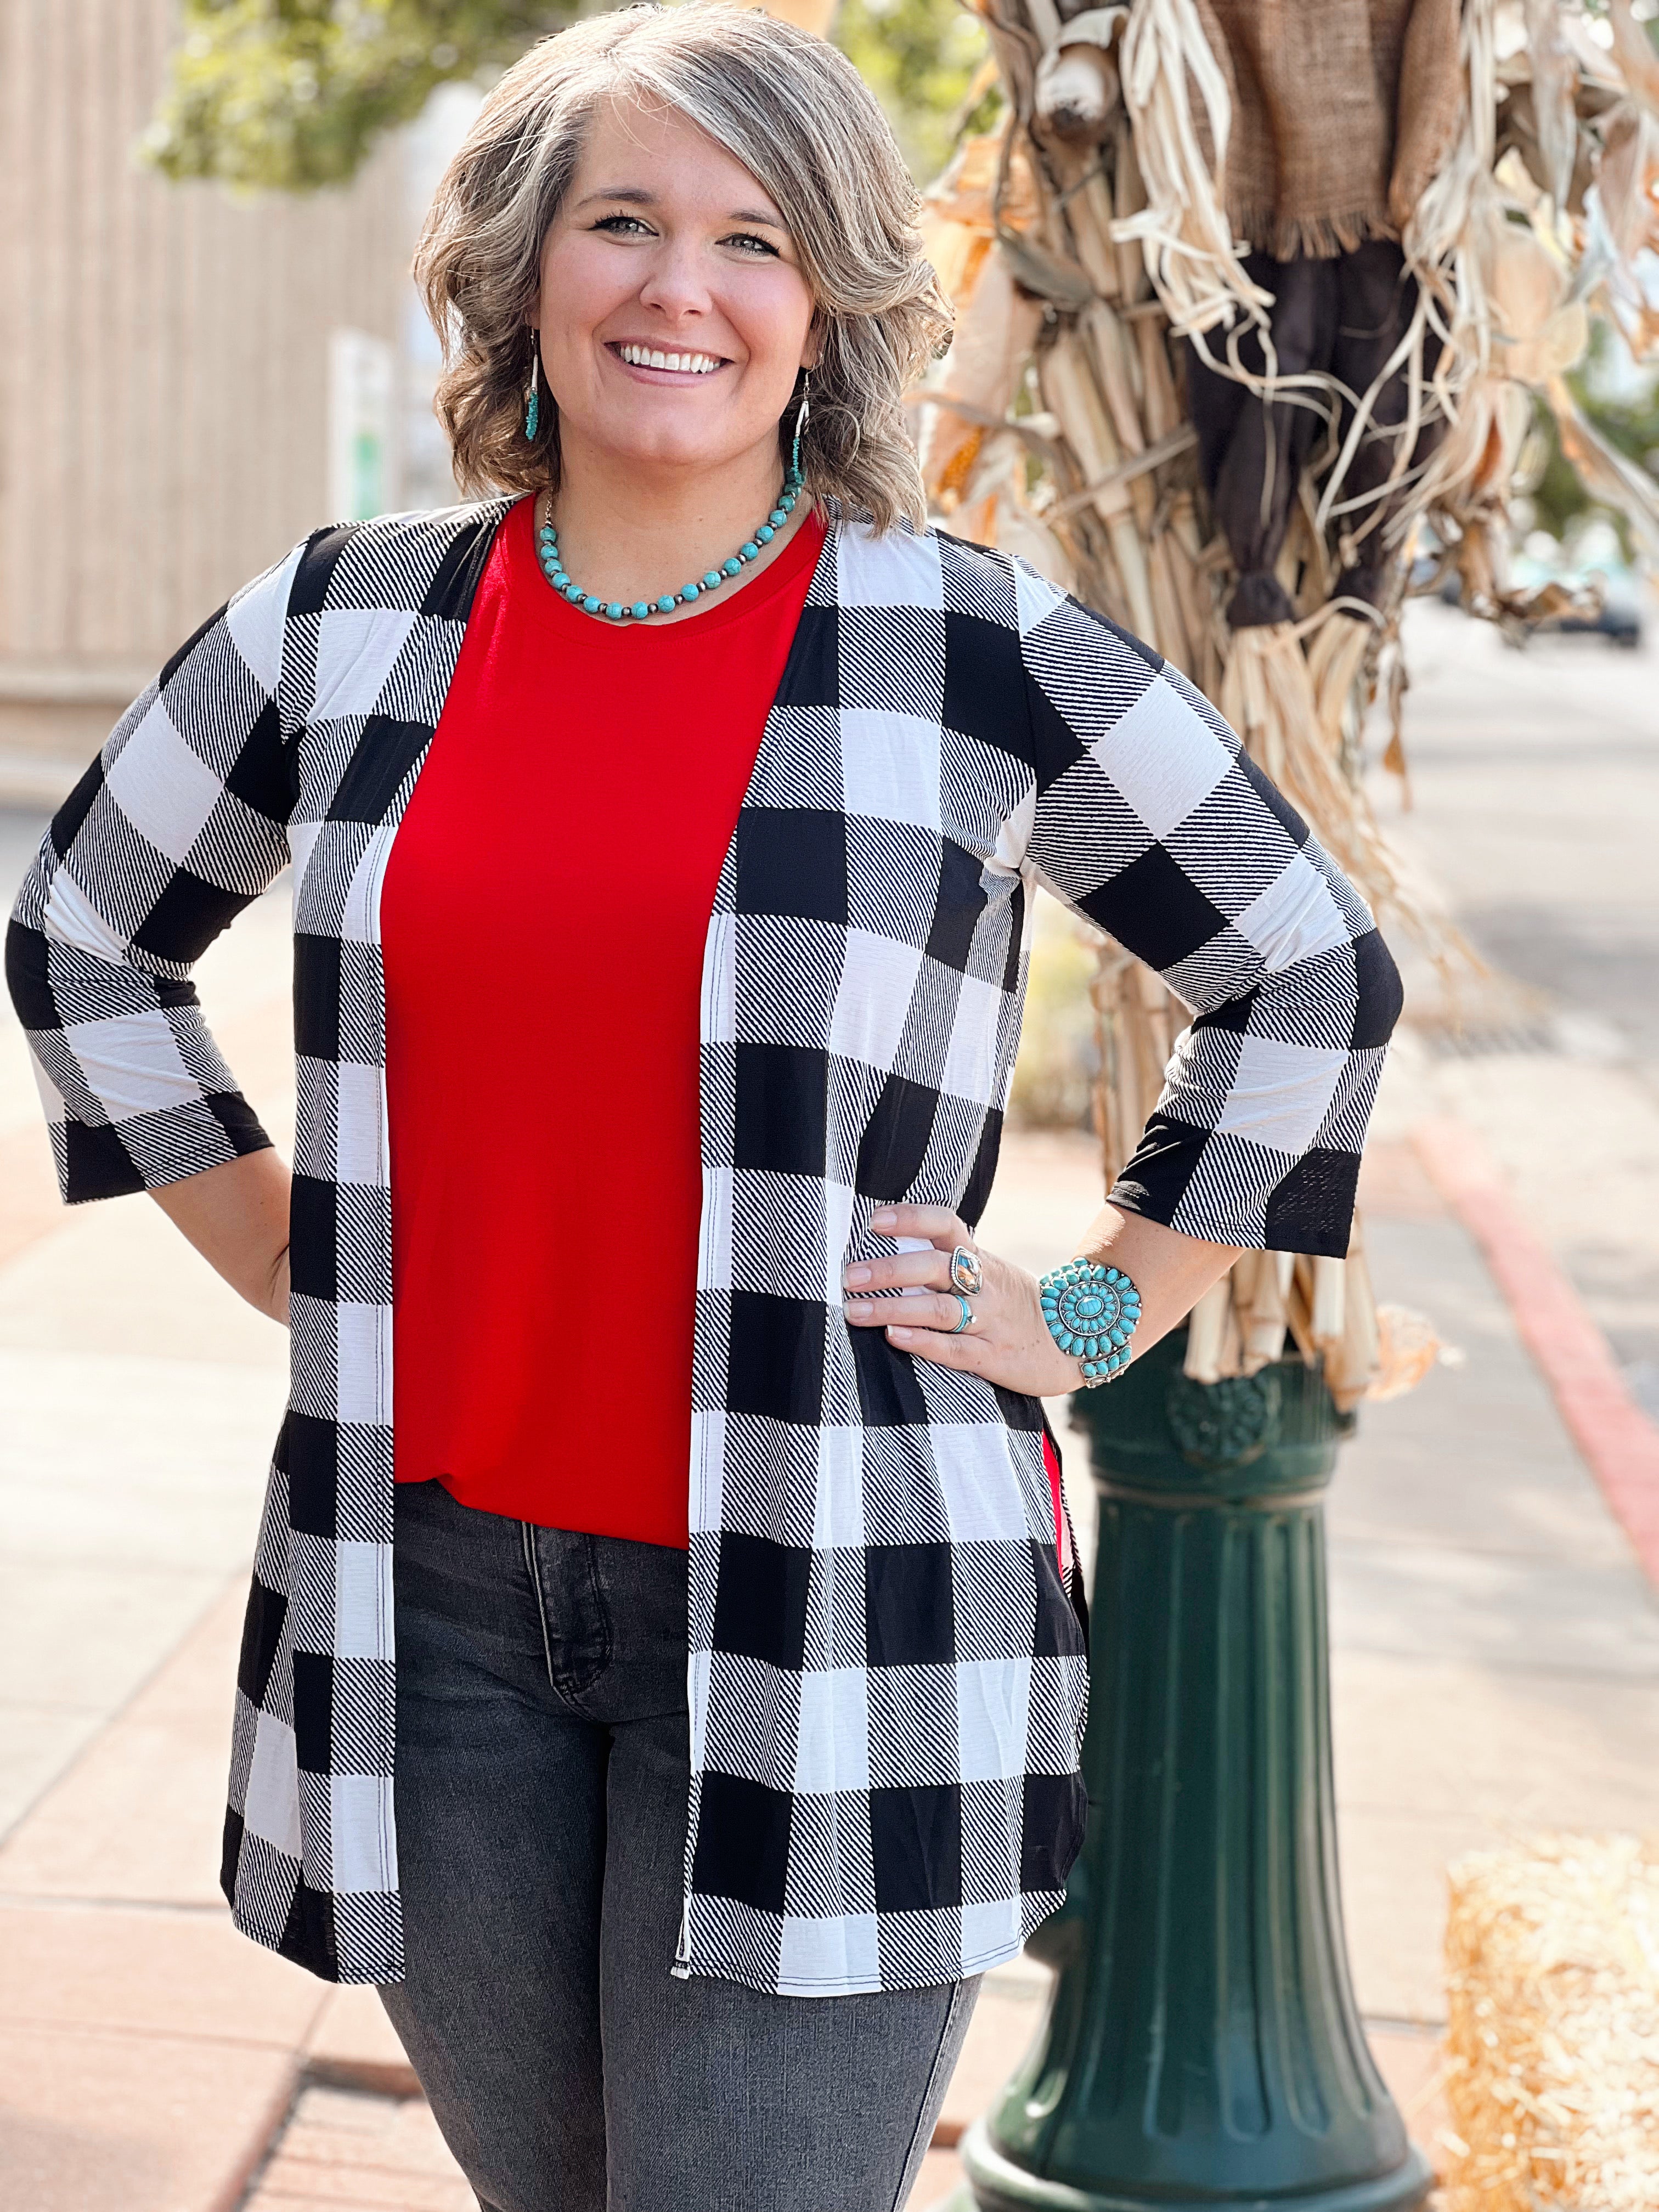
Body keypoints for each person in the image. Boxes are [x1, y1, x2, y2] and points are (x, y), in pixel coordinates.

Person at [4, 6, 1402, 2207]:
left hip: (837, 1603)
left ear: (828, 300)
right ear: (524, 271)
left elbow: (1308, 964)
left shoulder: (961, 649)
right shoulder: (344, 625)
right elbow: (85, 932)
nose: (682, 289)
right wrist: (277, 1233)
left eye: (753, 239)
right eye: (622, 222)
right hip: (434, 1610)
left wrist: (1107, 1311)